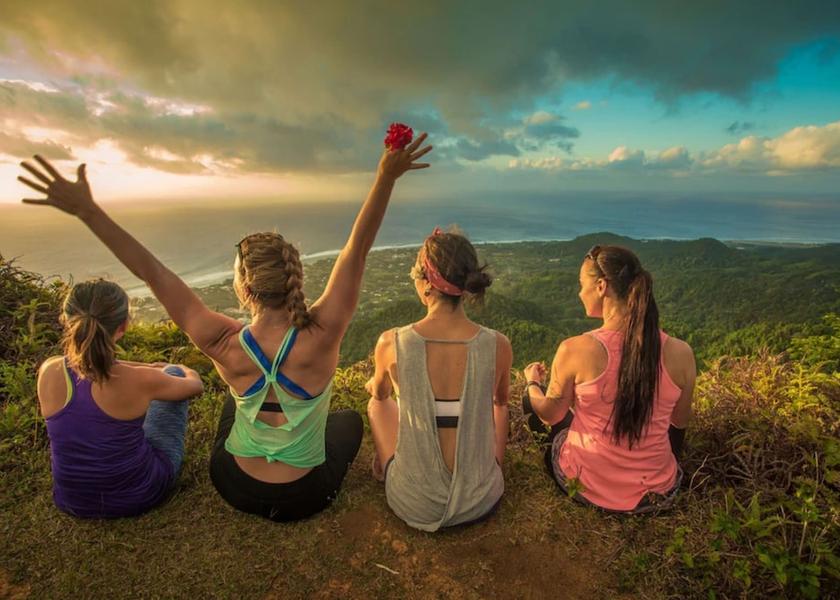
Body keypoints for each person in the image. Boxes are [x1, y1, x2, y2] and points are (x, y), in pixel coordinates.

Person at [18, 135, 432, 521]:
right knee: (348, 421)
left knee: (235, 403)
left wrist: (88, 211)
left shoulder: (220, 340)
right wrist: (385, 176)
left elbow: (152, 272)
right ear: (294, 278)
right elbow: (356, 250)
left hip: (233, 483)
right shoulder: (322, 332)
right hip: (304, 496)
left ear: (244, 286)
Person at [522, 244, 695, 513]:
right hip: (659, 492)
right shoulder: (681, 353)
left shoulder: (575, 348)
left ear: (601, 286)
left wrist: (532, 383)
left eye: (582, 285)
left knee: (540, 408)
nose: (580, 292)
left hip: (589, 487)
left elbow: (549, 415)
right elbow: (679, 424)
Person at [367, 228, 512, 531]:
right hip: (482, 499)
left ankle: (385, 467)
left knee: (377, 405)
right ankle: (491, 471)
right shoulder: (498, 345)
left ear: (427, 284)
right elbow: (501, 404)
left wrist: (381, 385)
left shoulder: (391, 343)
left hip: (412, 501)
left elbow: (380, 394)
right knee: (497, 408)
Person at [36, 279, 203, 518]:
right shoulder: (139, 380)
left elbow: (95, 368)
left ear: (65, 320)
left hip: (72, 501)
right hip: (140, 495)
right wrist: (182, 368)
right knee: (173, 375)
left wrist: (148, 368)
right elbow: (194, 387)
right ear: (123, 326)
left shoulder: (49, 371)